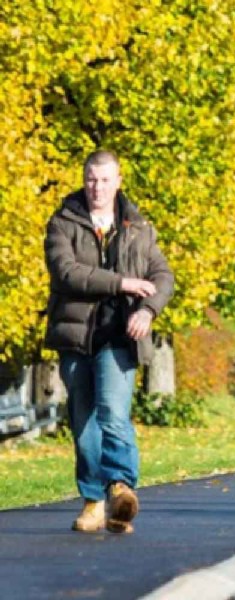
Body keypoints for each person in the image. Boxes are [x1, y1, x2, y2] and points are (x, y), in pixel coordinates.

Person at [44, 150, 174, 534]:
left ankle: (121, 489)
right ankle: (93, 502)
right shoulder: (62, 223)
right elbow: (67, 272)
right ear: (83, 179)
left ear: (118, 181)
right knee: (84, 423)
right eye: (90, 179)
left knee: (112, 413)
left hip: (119, 336)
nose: (96, 187)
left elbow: (162, 275)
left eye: (104, 180)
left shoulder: (138, 226)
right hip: (76, 335)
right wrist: (122, 283)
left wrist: (148, 310)